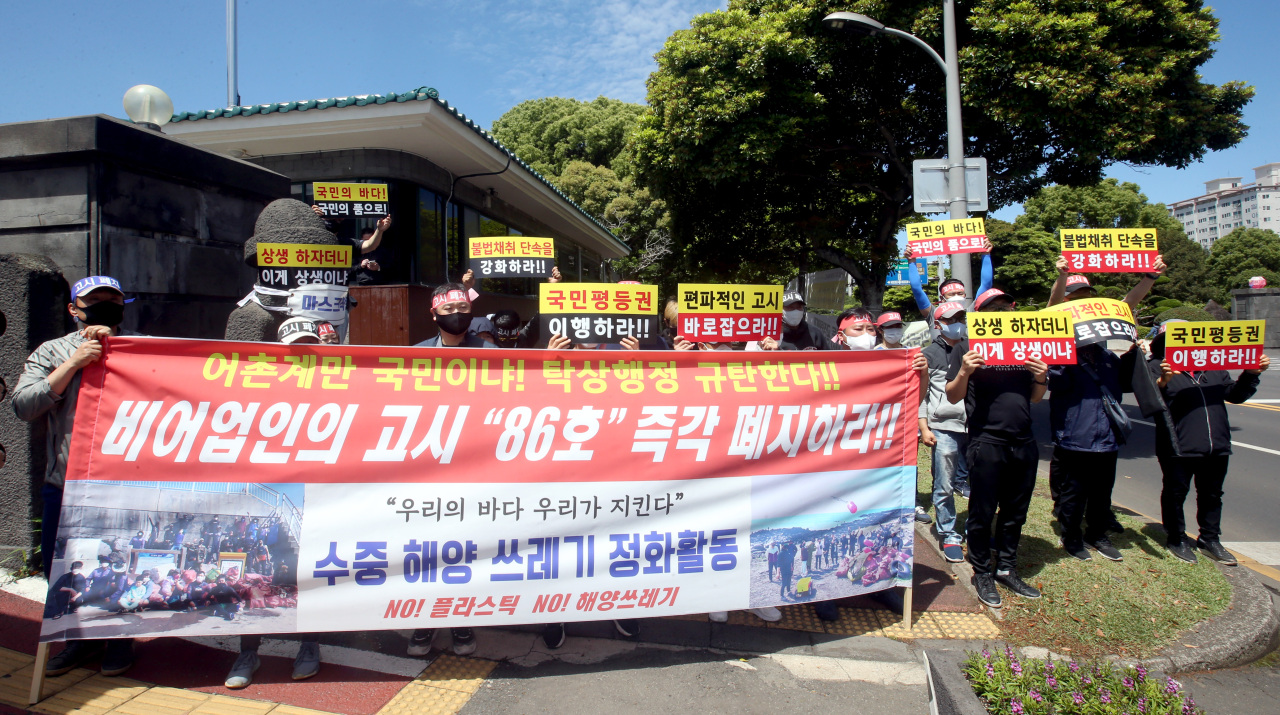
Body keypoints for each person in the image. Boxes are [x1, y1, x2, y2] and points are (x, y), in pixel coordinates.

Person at [12, 275, 138, 676]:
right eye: (94, 301)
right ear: (73, 309)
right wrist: (73, 363)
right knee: (63, 569)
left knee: (119, 568)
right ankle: (77, 641)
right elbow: (24, 405)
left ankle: (118, 643)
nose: (104, 307)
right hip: (65, 482)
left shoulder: (141, 349)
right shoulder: (52, 351)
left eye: (112, 300)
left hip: (121, 484)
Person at [945, 288, 1048, 608]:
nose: (1001, 312)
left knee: (1016, 511)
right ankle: (982, 572)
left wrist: (1042, 378)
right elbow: (951, 395)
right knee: (982, 510)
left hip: (1024, 442)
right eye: (993, 308)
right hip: (986, 442)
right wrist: (964, 370)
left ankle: (1006, 566)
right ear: (981, 315)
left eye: (1006, 306)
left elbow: (1034, 398)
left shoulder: (1026, 347)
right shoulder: (967, 347)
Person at [1148, 318, 1268, 564]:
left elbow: (1235, 395)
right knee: (1175, 492)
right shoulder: (1157, 366)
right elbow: (1149, 401)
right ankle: (1176, 538)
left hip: (1217, 444)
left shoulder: (1213, 367)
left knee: (1212, 494)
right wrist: (1163, 383)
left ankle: (1210, 539)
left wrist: (1251, 373)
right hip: (1177, 445)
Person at [918, 302, 971, 563]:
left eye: (961, 317)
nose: (958, 322)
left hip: (975, 426)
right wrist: (924, 426)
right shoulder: (928, 354)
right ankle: (948, 533)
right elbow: (921, 394)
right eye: (952, 319)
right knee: (944, 483)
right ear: (938, 325)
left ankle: (974, 528)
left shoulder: (977, 348)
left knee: (980, 484)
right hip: (944, 426)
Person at [905, 238, 993, 322]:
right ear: (942, 298)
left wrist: (986, 255)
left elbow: (986, 284)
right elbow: (917, 289)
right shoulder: (934, 315)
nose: (956, 296)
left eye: (960, 293)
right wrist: (911, 262)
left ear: (965, 296)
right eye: (951, 294)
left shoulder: (971, 313)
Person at [413, 283, 499, 350]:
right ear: (434, 314)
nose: (457, 313)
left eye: (463, 307)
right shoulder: (418, 353)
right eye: (448, 308)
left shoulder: (490, 352)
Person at [759, 292, 836, 350]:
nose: (795, 311)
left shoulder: (815, 333)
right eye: (790, 307)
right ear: (780, 310)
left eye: (799, 307)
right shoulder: (770, 335)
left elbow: (828, 361)